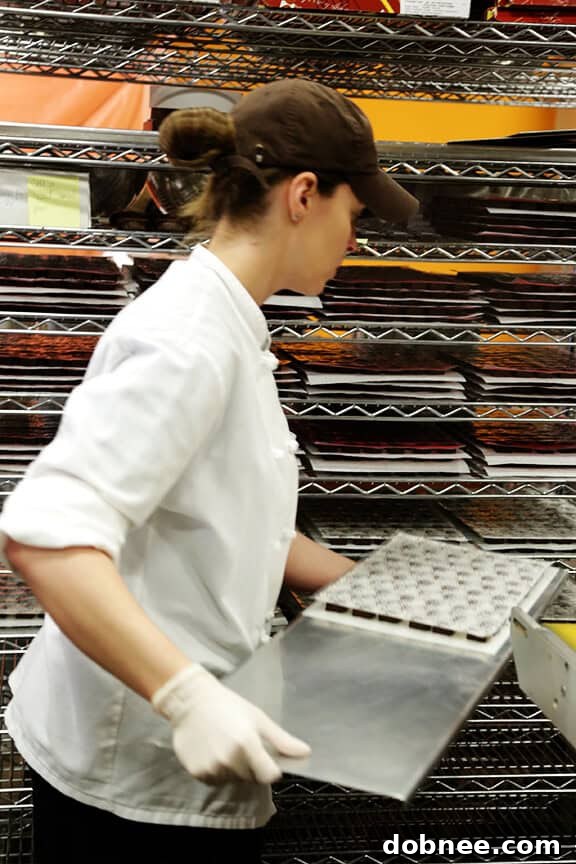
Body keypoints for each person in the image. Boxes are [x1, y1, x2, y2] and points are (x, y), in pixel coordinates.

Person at [0, 77, 418, 863]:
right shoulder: (187, 340)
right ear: (303, 195)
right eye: (353, 215)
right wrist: (184, 696)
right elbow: (45, 538)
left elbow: (233, 516)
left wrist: (377, 586)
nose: (354, 240)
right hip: (133, 772)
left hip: (182, 747)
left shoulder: (232, 324)